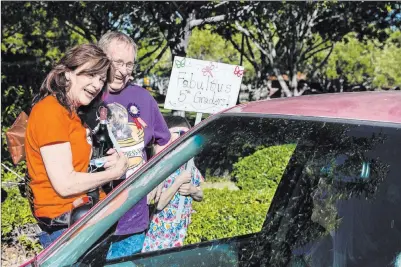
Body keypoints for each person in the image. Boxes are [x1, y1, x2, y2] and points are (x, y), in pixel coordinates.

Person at [25, 43, 128, 248]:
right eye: (90, 75)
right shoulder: (50, 112)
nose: (97, 84)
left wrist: (107, 161)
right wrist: (113, 173)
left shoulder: (72, 114)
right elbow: (66, 184)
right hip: (65, 232)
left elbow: (77, 167)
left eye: (101, 79)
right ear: (68, 73)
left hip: (84, 221)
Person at [82, 31, 171, 260]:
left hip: (133, 217)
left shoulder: (143, 98)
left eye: (129, 64)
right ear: (102, 60)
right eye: (118, 62)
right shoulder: (87, 95)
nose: (124, 71)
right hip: (90, 219)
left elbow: (163, 140)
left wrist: (156, 177)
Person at [142, 115, 204, 252]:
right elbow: (158, 204)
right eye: (180, 134)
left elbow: (202, 195)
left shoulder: (190, 165)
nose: (184, 138)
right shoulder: (160, 168)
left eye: (188, 134)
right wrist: (178, 182)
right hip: (159, 236)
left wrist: (193, 190)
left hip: (181, 233)